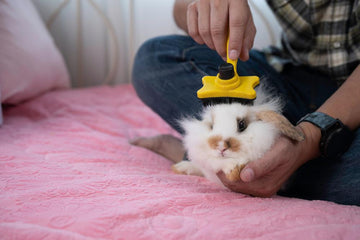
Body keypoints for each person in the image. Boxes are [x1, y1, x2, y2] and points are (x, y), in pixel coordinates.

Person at [131, 0, 360, 206]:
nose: (222, 144)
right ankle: (272, 167)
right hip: (287, 74)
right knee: (154, 58)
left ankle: (207, 164)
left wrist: (310, 137)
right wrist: (208, 8)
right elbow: (182, 7)